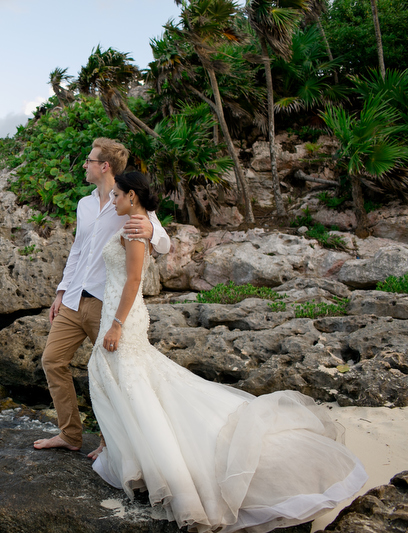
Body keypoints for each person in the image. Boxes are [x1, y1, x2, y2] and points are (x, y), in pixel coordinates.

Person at [88, 170, 367, 533]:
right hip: (115, 309)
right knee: (121, 382)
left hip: (123, 316)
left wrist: (117, 324)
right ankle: (129, 454)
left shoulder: (137, 228)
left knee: (133, 383)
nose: (113, 200)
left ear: (132, 197)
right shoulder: (130, 223)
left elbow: (136, 279)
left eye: (118, 195)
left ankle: (160, 467)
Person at [33, 138, 171, 452]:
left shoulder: (125, 201)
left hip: (104, 303)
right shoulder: (84, 204)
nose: (85, 164)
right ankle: (70, 435)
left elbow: (164, 242)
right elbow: (78, 250)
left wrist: (152, 232)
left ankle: (112, 443)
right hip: (72, 300)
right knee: (52, 361)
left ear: (104, 166)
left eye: (89, 160)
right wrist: (61, 291)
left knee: (111, 375)